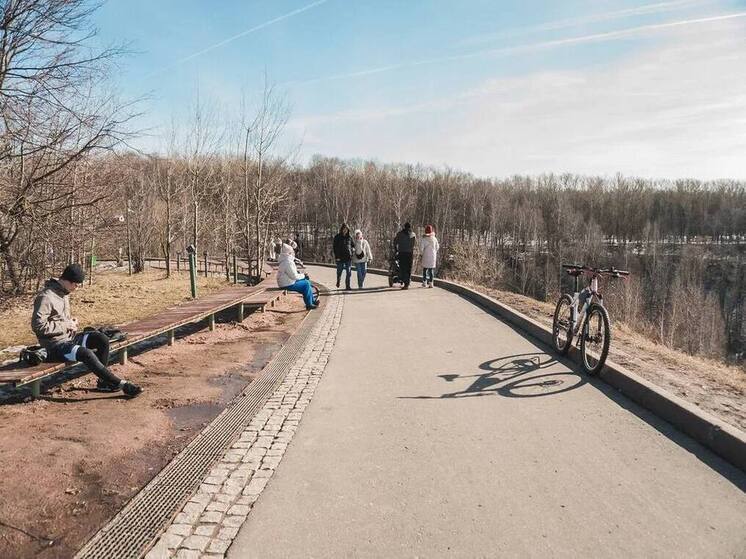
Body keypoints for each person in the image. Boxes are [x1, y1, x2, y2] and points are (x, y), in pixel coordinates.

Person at [31, 263, 142, 397]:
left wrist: (71, 322)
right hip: (54, 346)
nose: (76, 288)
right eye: (76, 285)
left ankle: (104, 382)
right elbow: (38, 326)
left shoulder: (64, 293)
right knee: (86, 353)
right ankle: (121, 384)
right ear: (66, 280)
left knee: (101, 339)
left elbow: (59, 320)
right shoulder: (46, 297)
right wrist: (66, 325)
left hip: (69, 339)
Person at [277, 243, 319, 310]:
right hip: (287, 284)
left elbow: (292, 274)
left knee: (306, 282)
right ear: (289, 253)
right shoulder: (287, 262)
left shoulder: (285, 260)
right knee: (306, 284)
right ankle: (309, 304)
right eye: (292, 252)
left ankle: (312, 301)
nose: (294, 253)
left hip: (286, 282)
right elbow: (294, 276)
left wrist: (301, 275)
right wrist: (303, 275)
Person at [394, 222, 416, 289]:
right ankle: (407, 283)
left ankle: (405, 282)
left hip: (402, 253)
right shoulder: (413, 234)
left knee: (403, 268)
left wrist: (396, 250)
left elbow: (395, 242)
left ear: (404, 227)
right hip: (410, 253)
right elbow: (414, 244)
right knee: (408, 268)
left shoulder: (400, 234)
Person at [332, 223, 354, 290]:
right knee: (339, 272)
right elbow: (334, 247)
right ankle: (338, 280)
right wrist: (336, 257)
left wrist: (353, 250)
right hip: (340, 258)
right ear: (342, 229)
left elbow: (353, 245)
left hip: (348, 257)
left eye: (346, 229)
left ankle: (347, 286)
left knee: (349, 272)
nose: (345, 230)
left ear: (348, 230)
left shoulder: (350, 237)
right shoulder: (337, 237)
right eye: (344, 229)